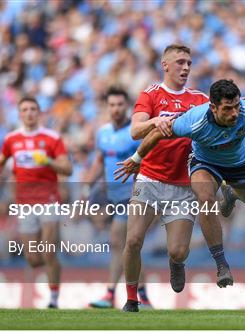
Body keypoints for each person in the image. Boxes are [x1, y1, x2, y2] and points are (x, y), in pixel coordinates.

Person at [114, 79, 245, 288]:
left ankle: (232, 193)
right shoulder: (194, 120)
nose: (234, 113)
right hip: (205, 163)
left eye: (236, 106)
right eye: (227, 109)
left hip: (240, 163)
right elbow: (156, 134)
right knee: (205, 199)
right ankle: (221, 265)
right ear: (213, 107)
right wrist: (136, 159)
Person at [120, 44, 228, 313]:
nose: (186, 67)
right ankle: (132, 298)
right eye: (180, 62)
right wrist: (155, 122)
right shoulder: (151, 94)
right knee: (133, 240)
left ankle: (176, 263)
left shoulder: (201, 100)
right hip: (149, 178)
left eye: (189, 63)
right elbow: (135, 130)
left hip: (182, 187)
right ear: (165, 65)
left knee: (178, 251)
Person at [0, 97, 72, 308]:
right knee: (33, 258)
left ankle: (53, 299)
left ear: (39, 112)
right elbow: (0, 161)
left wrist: (48, 161)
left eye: (33, 109)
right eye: (25, 109)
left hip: (49, 200)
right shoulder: (12, 139)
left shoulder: (52, 138)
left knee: (48, 250)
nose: (29, 113)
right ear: (19, 114)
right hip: (25, 203)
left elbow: (68, 168)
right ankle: (53, 266)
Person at [84, 87, 152, 309]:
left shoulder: (135, 133)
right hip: (113, 197)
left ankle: (111, 293)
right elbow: (99, 161)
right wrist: (87, 187)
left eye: (120, 105)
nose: (115, 109)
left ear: (128, 107)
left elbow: (148, 161)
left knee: (118, 242)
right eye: (112, 105)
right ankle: (141, 295)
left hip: (134, 196)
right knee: (128, 246)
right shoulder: (103, 132)